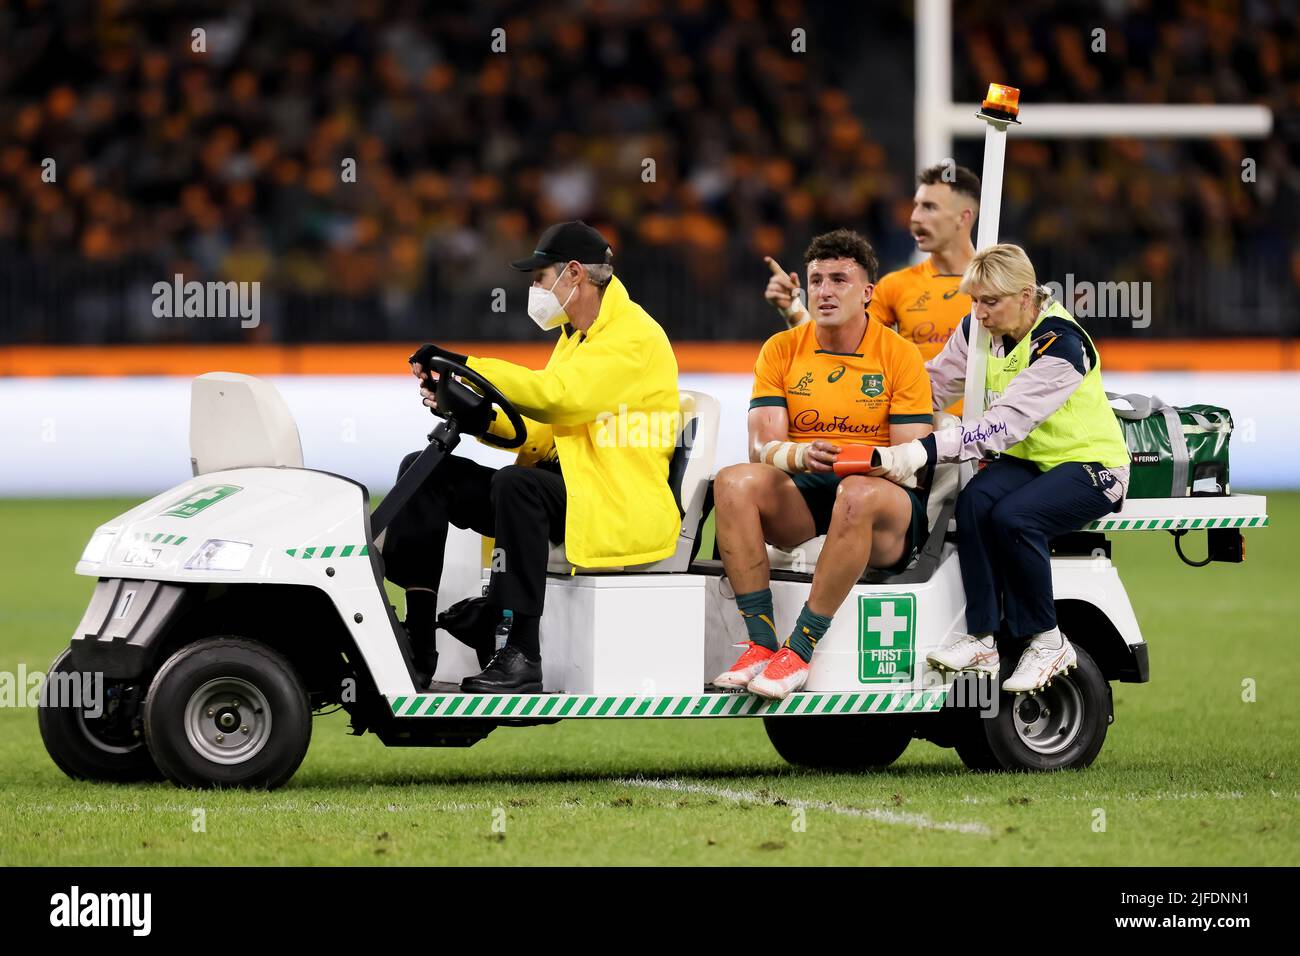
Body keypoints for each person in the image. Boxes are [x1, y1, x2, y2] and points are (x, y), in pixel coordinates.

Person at [382, 221, 681, 692]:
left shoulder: (635, 335)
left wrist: (468, 367)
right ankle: (418, 639)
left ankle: (522, 652)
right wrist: (476, 414)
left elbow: (559, 398)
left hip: (613, 499)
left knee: (517, 486)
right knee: (422, 472)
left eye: (539, 278)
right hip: (567, 491)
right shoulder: (575, 338)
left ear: (575, 274)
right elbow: (541, 430)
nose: (533, 289)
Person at [869, 244, 1131, 693]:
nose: (980, 312)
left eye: (991, 302)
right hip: (1032, 461)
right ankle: (982, 639)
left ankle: (1049, 642)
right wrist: (876, 414)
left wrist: (922, 450)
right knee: (972, 503)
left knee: (1015, 518)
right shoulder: (977, 329)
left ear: (1026, 296)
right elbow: (932, 384)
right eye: (975, 300)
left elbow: (1001, 427)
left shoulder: (1061, 346)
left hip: (1092, 465)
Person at [711, 229, 933, 700]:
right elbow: (761, 446)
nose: (826, 291)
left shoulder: (899, 355)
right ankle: (761, 643)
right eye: (816, 280)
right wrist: (801, 454)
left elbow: (910, 459)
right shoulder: (782, 348)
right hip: (813, 486)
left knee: (855, 492)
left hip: (885, 501)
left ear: (868, 292)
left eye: (840, 279)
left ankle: (801, 647)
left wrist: (857, 458)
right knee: (733, 482)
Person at [762, 163, 981, 413]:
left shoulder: (998, 286)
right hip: (917, 433)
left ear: (963, 217)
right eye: (916, 206)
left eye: (929, 207)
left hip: (989, 437)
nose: (915, 218)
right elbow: (836, 347)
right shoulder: (895, 286)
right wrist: (793, 309)